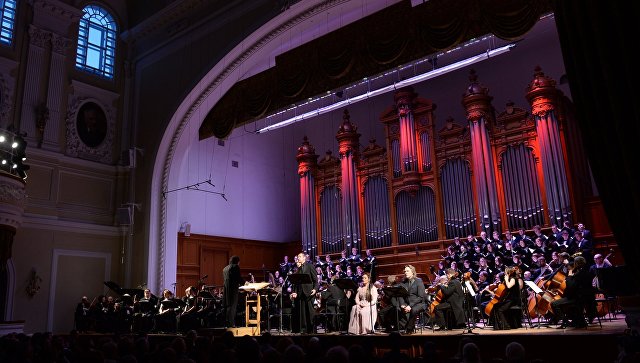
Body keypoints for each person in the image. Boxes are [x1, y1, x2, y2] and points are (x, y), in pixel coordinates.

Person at [550, 255, 596, 328]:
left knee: (554, 304)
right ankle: (578, 321)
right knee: (564, 303)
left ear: (576, 264)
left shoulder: (579, 274)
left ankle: (565, 322)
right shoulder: (586, 272)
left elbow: (571, 286)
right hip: (586, 297)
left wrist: (570, 276)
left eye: (574, 263)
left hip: (578, 298)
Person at [290, 252, 318, 333]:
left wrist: (315, 289)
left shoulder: (310, 266)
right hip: (300, 293)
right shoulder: (298, 268)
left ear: (304, 258)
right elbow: (296, 282)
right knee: (302, 313)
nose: (298, 258)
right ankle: (303, 330)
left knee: (310, 312)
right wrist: (294, 292)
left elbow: (315, 280)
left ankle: (312, 329)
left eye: (299, 256)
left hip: (309, 292)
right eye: (297, 257)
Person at [490, 266, 524, 330]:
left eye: (505, 272)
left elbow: (509, 286)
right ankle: (499, 325)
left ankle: (505, 325)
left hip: (513, 300)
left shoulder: (513, 279)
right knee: (495, 306)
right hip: (509, 299)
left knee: (500, 309)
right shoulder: (509, 279)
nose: (504, 273)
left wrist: (506, 279)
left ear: (509, 272)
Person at [399, 265, 426, 334]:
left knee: (413, 310)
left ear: (412, 272)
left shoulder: (418, 281)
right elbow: (401, 295)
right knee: (398, 308)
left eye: (407, 271)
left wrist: (410, 306)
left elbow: (420, 297)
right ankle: (405, 326)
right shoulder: (404, 282)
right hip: (408, 303)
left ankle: (409, 329)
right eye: (405, 271)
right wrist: (402, 304)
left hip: (419, 303)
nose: (405, 272)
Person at [223, 255, 244, 328]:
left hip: (226, 289)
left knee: (227, 306)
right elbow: (238, 277)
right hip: (233, 290)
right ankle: (231, 324)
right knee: (232, 307)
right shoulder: (235, 267)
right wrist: (244, 283)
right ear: (237, 261)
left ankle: (226, 323)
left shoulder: (225, 268)